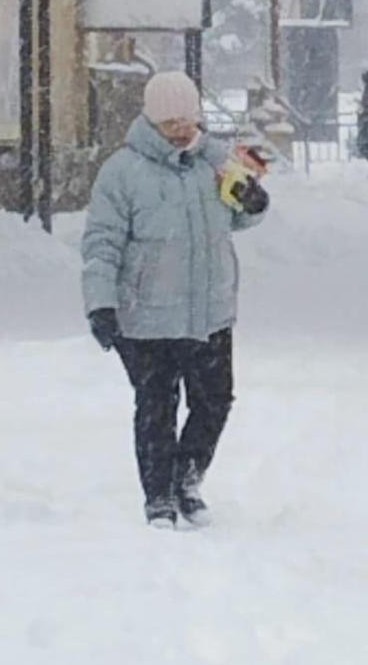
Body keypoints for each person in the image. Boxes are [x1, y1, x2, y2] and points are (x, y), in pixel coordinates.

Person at [81, 71, 269, 528]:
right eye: (171, 123)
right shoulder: (122, 172)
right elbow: (102, 243)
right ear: (151, 120)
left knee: (215, 401)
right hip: (145, 315)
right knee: (156, 406)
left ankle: (187, 477)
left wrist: (252, 201)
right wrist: (100, 304)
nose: (182, 130)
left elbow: (236, 221)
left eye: (188, 120)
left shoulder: (216, 162)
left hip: (209, 310)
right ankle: (158, 497)